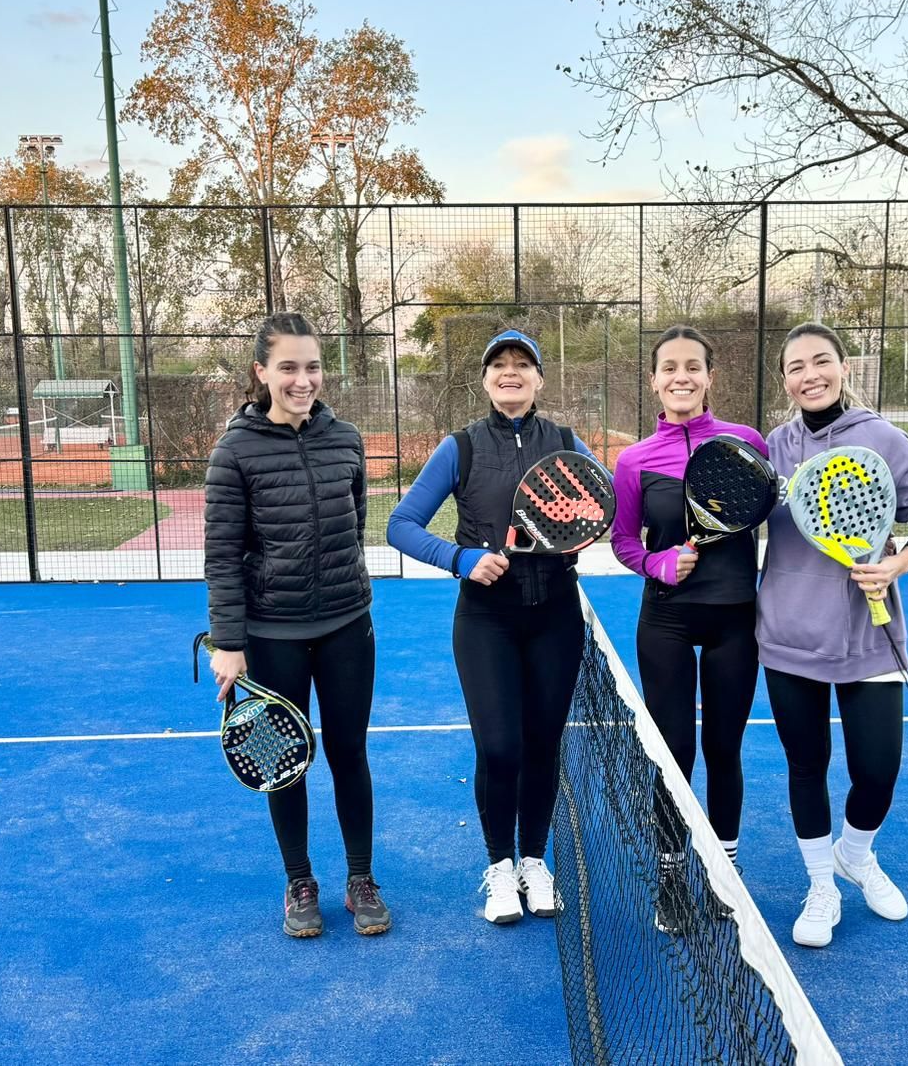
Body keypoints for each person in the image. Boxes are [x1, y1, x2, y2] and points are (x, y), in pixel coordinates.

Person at [386, 328, 598, 925]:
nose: (511, 372)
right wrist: (462, 559)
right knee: (500, 746)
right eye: (499, 364)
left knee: (542, 745)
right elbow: (401, 525)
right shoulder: (461, 447)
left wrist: (580, 532)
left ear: (538, 378)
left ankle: (535, 860)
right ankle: (500, 868)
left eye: (523, 364)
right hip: (485, 620)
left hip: (557, 615)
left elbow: (601, 505)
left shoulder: (564, 441)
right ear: (485, 380)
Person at [757, 322, 908, 948]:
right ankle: (821, 884)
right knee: (805, 765)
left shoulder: (882, 438)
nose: (809, 375)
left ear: (843, 367)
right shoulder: (773, 447)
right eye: (795, 367)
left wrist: (899, 562)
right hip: (788, 633)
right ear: (784, 380)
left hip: (871, 637)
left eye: (821, 362)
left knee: (877, 770)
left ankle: (857, 853)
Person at [204, 312, 389, 940]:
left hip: (346, 627)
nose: (302, 379)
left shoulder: (347, 440)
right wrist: (229, 643)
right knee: (285, 759)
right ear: (262, 372)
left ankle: (361, 878)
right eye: (288, 367)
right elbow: (223, 556)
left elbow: (354, 521)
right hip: (269, 636)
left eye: (312, 367)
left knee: (349, 754)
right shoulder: (234, 451)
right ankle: (300, 881)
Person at [610, 324, 768, 933]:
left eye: (693, 366)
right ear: (654, 380)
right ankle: (673, 875)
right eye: (669, 367)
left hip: (735, 618)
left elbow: (766, 511)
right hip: (667, 620)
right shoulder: (634, 460)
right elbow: (625, 540)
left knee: (723, 749)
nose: (682, 377)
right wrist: (658, 562)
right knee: (673, 754)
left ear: (710, 377)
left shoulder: (744, 441)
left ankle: (724, 872)